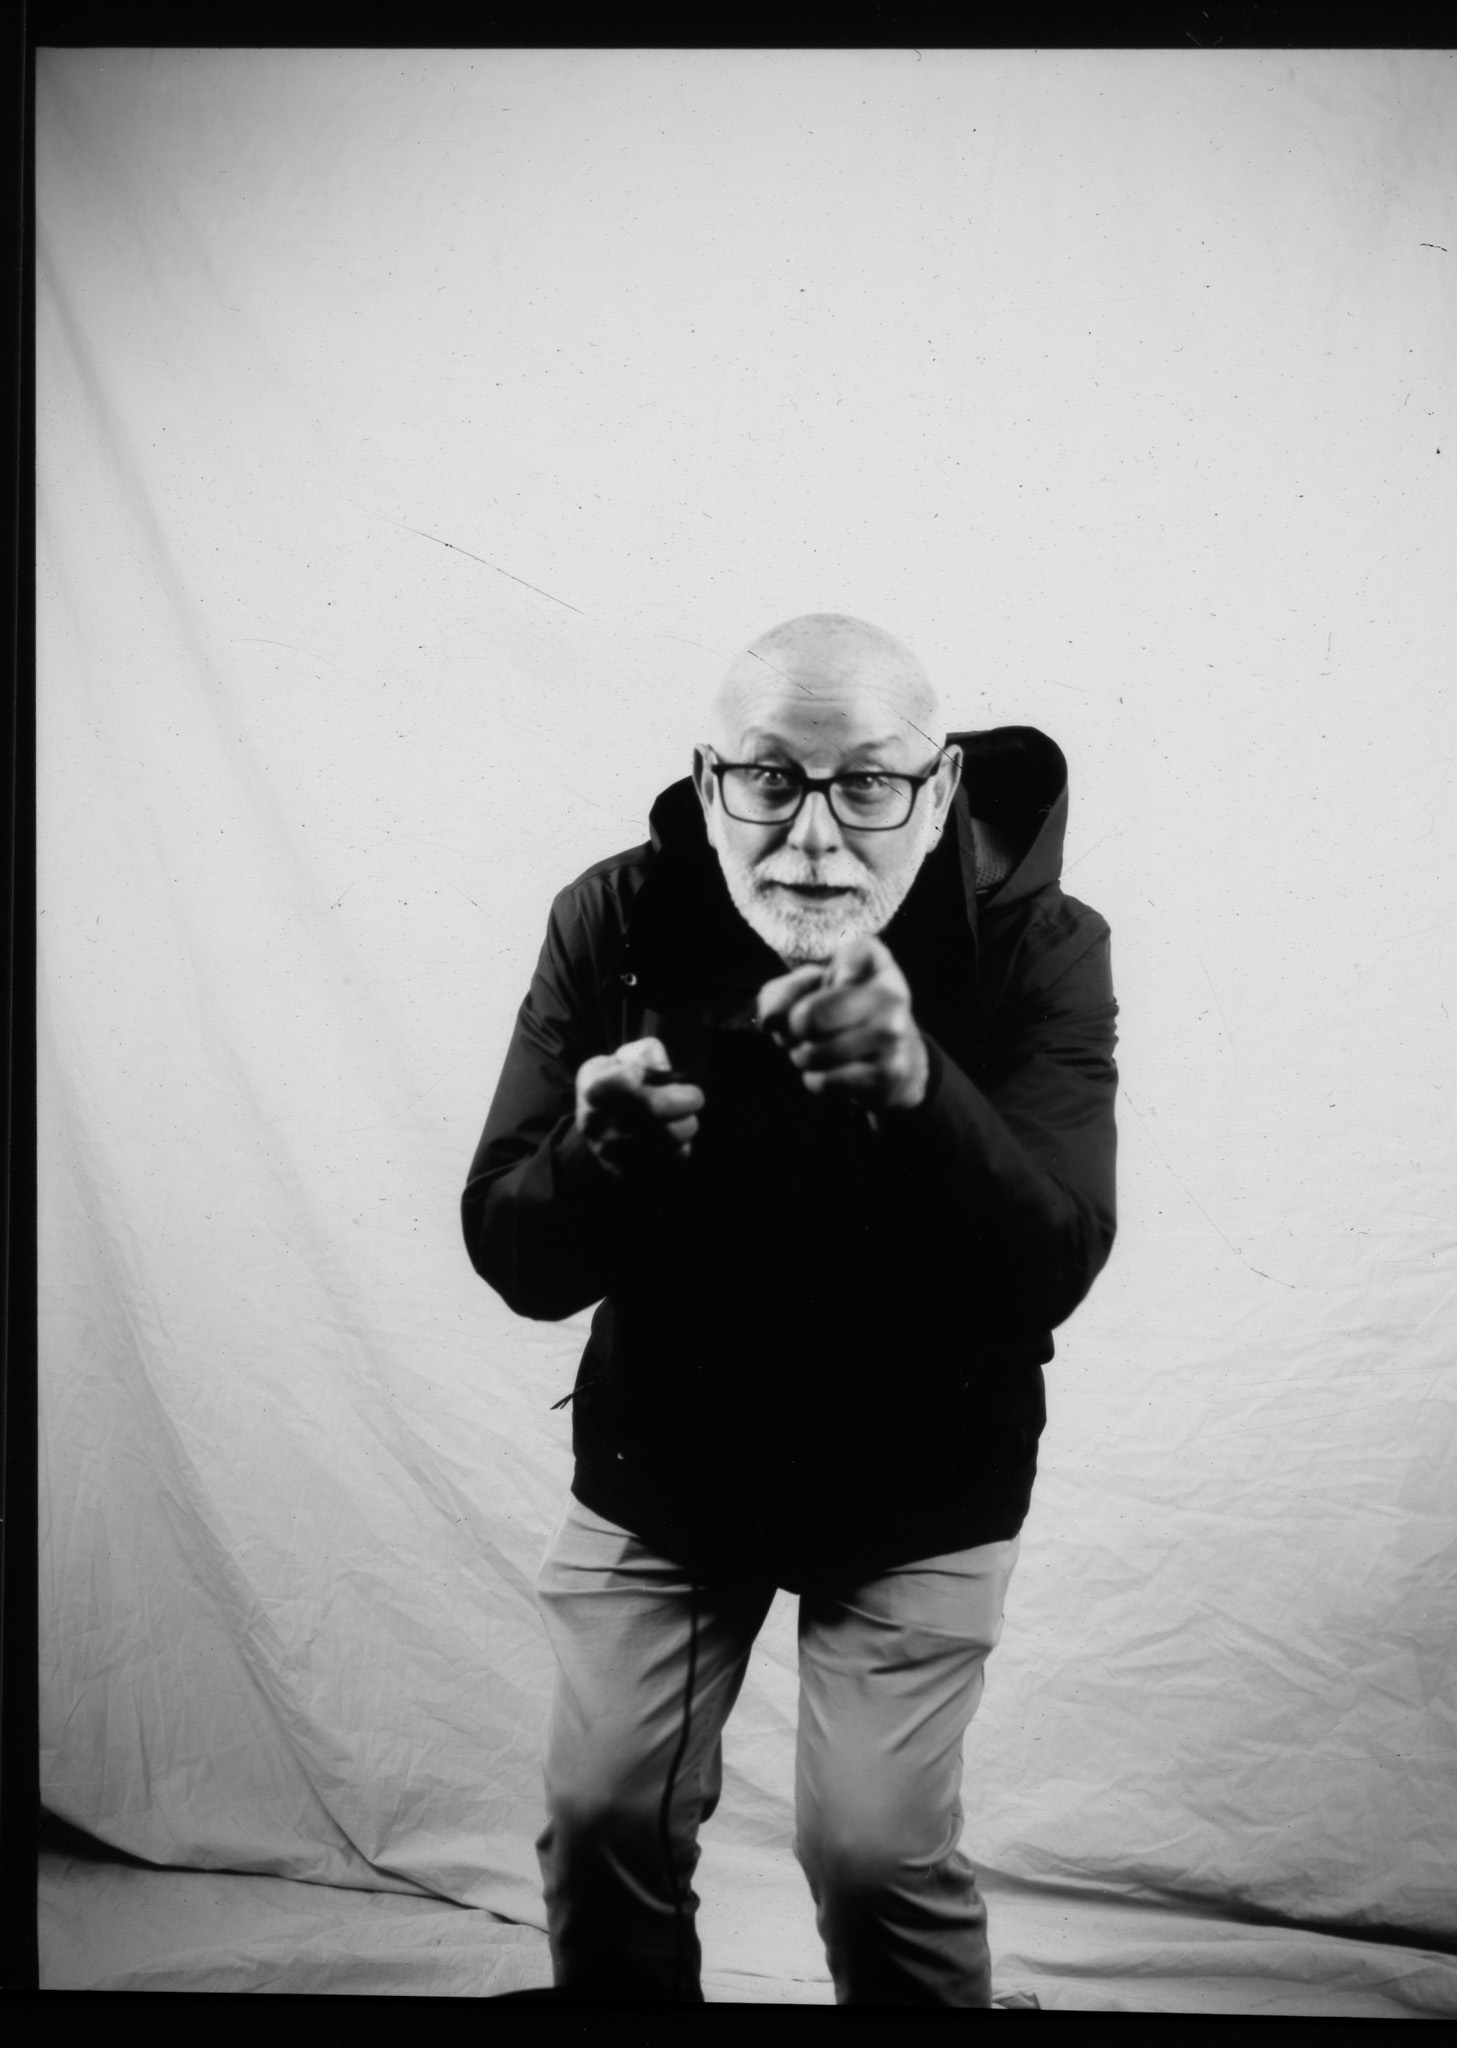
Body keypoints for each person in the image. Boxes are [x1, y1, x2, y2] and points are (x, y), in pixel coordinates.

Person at [463, 612, 1118, 2006]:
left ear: (936, 789)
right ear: (709, 784)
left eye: (868, 784)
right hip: (668, 1471)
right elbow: (514, 1253)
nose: (814, 839)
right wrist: (600, 1161)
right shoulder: (612, 917)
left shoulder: (1042, 947)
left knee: (873, 1858)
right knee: (600, 1825)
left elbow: (1052, 1262)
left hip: (924, 1490)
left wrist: (919, 1089)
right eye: (768, 780)